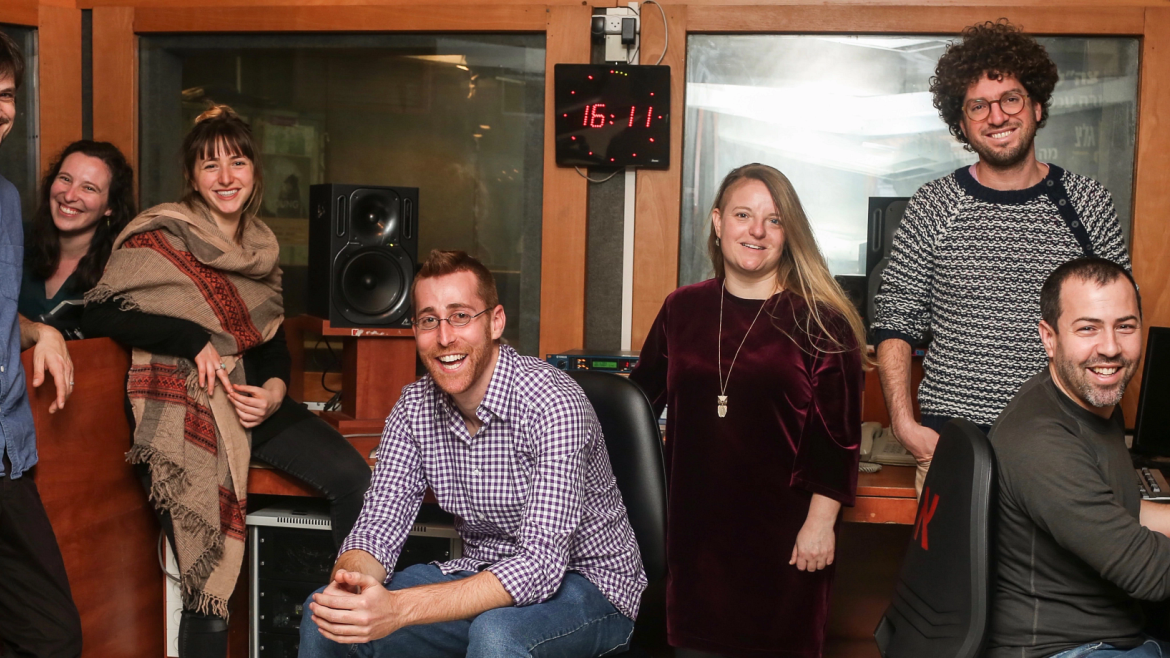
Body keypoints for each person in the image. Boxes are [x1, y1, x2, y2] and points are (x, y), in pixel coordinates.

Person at [80, 105, 371, 658]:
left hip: (250, 404)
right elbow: (99, 314)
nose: (226, 177)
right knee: (204, 560)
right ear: (192, 176)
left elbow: (272, 346)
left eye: (237, 162)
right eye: (210, 165)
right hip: (184, 408)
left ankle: (348, 627)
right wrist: (191, 338)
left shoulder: (261, 250)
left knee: (354, 479)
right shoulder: (162, 237)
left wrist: (276, 394)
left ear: (255, 173)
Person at [299, 249, 647, 657]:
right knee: (325, 616)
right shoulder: (413, 407)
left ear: (495, 322)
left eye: (461, 316)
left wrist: (397, 608)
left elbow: (540, 565)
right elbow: (379, 526)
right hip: (479, 573)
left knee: (497, 636)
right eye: (429, 320)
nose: (445, 338)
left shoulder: (554, 403)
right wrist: (352, 585)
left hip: (590, 586)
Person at [871, 20, 1130, 494]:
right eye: (978, 106)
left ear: (1035, 105)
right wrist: (906, 426)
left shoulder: (1088, 204)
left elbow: (1120, 326)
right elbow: (895, 320)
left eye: (1010, 98)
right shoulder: (933, 206)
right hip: (952, 447)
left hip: (1064, 447)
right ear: (962, 123)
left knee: (1060, 571)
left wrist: (1099, 421)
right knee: (955, 571)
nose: (997, 116)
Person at [629, 163, 865, 658]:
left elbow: (838, 440)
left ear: (788, 233)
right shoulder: (681, 308)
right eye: (743, 215)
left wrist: (821, 525)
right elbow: (637, 406)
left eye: (773, 220)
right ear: (718, 223)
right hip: (693, 541)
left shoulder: (823, 323)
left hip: (786, 542)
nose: (756, 231)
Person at [988, 257, 1170, 658]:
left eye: (1125, 326)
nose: (1110, 348)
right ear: (1049, 338)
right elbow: (1151, 573)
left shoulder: (1094, 396)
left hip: (1114, 633)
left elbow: (1122, 509)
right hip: (1070, 649)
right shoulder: (1040, 440)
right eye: (1088, 328)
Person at [0, 30, 83, 658]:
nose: (1, 109)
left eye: (6, 95)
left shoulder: (4, 201)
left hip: (7, 455)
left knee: (50, 635)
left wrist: (40, 329)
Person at [19, 140, 135, 338]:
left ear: (110, 207)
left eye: (89, 188)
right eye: (65, 179)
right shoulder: (14, 239)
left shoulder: (122, 269)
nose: (70, 195)